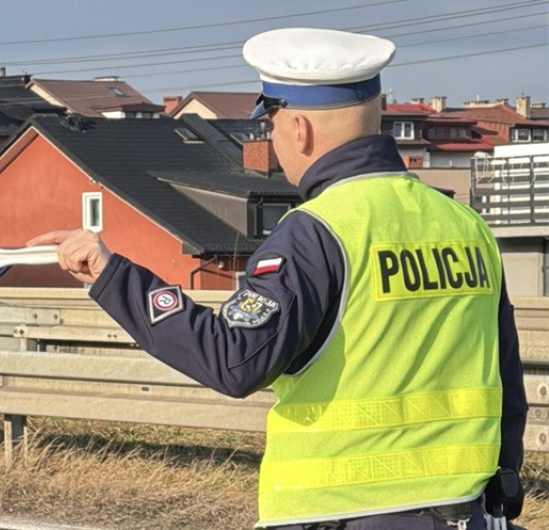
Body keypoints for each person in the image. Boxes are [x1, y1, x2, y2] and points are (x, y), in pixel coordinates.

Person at [27, 28, 528, 530]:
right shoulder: (465, 225)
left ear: (300, 130)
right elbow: (505, 381)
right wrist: (501, 488)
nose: (270, 137)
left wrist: (114, 276)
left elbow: (234, 360)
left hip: (340, 513)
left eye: (270, 123)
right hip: (467, 512)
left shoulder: (318, 232)